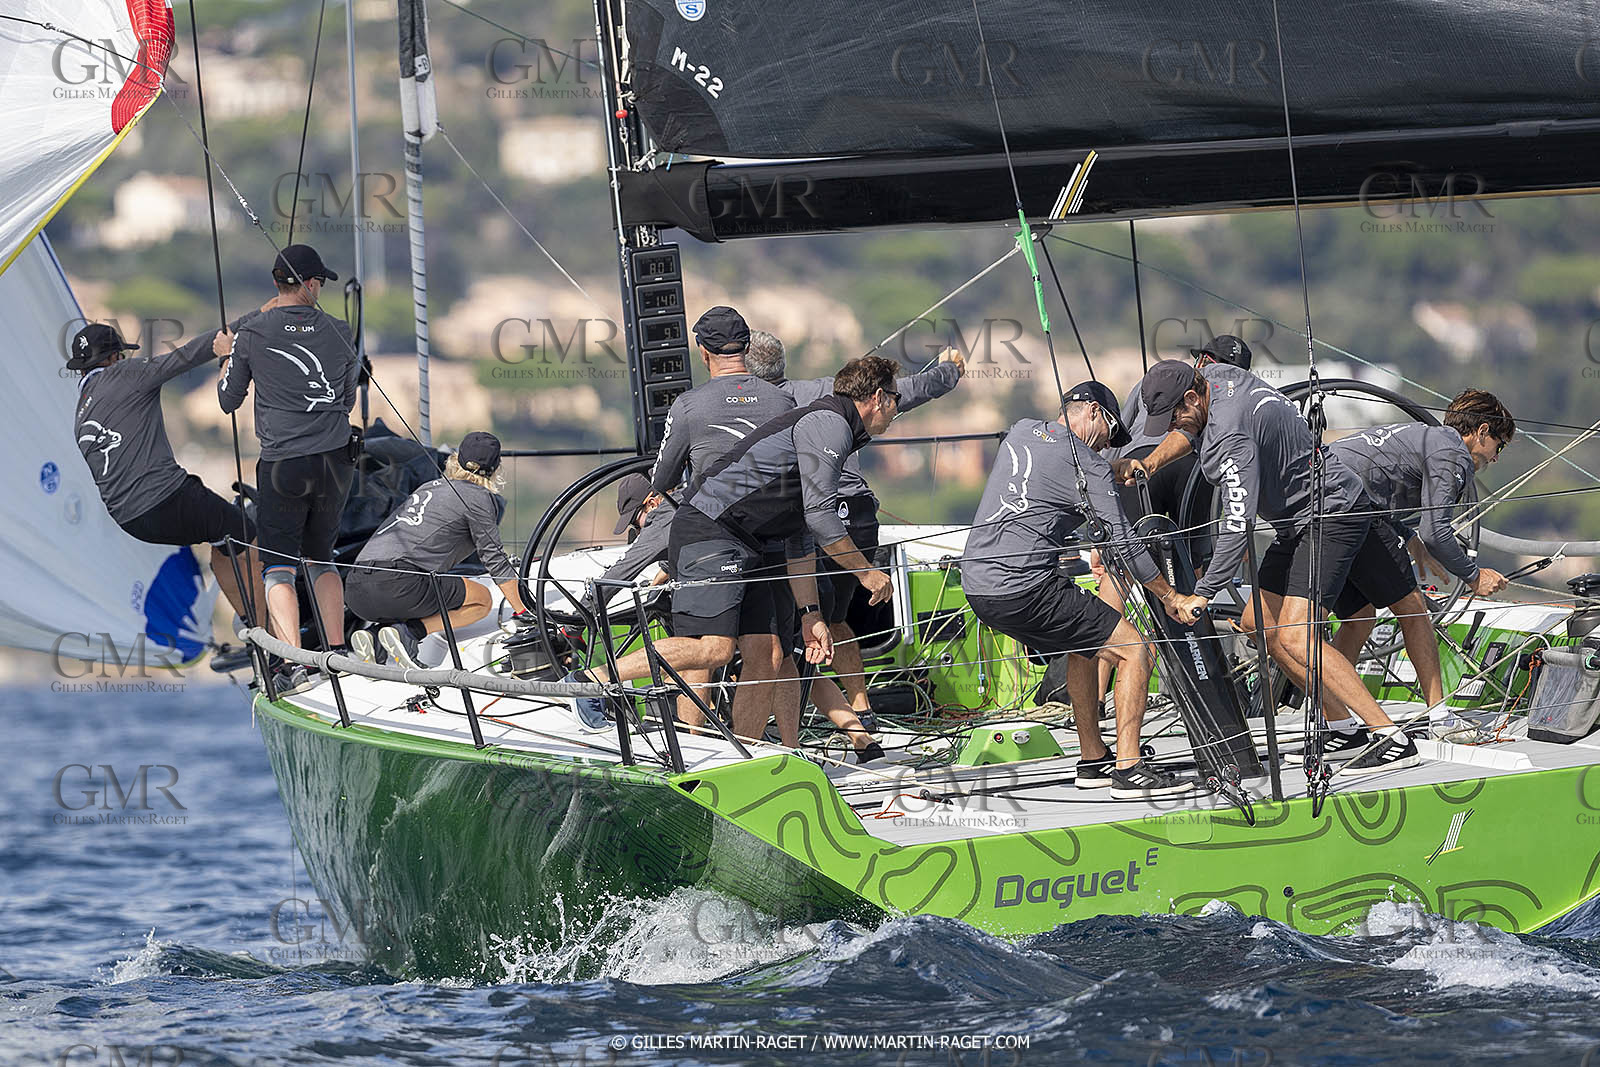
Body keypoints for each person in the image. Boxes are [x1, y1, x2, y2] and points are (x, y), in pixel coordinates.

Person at [567, 356, 900, 748]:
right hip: (710, 528)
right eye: (896, 399)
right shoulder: (830, 424)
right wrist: (866, 573)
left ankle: (742, 754)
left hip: (752, 541)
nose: (897, 410)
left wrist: (811, 615)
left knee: (769, 653)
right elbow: (823, 517)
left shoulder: (833, 428)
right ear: (878, 398)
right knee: (715, 649)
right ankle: (590, 681)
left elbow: (800, 534)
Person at [1124, 358, 1426, 776]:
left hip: (1329, 513)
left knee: (1297, 637)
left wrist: (1204, 593)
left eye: (1175, 416)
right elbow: (1190, 432)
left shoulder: (1230, 435)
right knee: (1255, 624)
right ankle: (1343, 725)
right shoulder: (1215, 377)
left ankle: (1390, 736)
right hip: (1296, 521)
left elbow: (1236, 522)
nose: (1174, 426)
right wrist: (1151, 462)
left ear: (1193, 397)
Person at [962, 381, 1189, 799]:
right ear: (1092, 413)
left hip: (978, 585)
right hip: (1023, 587)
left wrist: (1103, 471)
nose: (1106, 446)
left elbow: (1051, 483)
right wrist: (1171, 597)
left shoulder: (1021, 429)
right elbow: (1124, 544)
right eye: (1109, 434)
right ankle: (1130, 767)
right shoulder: (1089, 465)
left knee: (1085, 645)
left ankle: (1092, 759)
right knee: (1135, 649)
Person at [747, 329, 962, 761]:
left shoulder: (731, 406)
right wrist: (948, 372)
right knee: (834, 619)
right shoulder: (826, 391)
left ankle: (778, 736)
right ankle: (861, 715)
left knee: (788, 633)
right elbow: (908, 392)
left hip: (796, 526)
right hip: (855, 512)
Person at [1313, 389, 1513, 742]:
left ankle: (1334, 718)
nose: (1497, 457)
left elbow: (1379, 485)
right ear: (1482, 431)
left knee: (1359, 617)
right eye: (1500, 445)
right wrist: (1473, 576)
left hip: (1320, 503)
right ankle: (1440, 716)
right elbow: (1436, 530)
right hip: (1349, 509)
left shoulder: (1426, 438)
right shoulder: (1453, 453)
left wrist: (1407, 537)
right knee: (1413, 610)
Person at [649, 307, 798, 733]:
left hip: (708, 536)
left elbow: (663, 478)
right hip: (771, 537)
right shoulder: (782, 400)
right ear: (748, 347)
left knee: (703, 649)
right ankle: (747, 751)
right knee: (766, 653)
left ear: (702, 351)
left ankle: (692, 745)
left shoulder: (690, 405)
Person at [215, 243, 361, 655]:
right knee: (322, 558)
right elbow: (346, 401)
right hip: (334, 462)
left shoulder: (252, 333)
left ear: (277, 283)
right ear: (312, 284)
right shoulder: (340, 330)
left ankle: (294, 658)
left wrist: (227, 356)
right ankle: (338, 650)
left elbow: (228, 400)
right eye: (320, 283)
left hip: (283, 466)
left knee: (278, 568)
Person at [70, 321, 261, 627]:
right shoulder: (124, 374)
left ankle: (254, 630)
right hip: (167, 500)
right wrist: (234, 333)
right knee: (249, 540)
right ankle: (275, 642)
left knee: (224, 539)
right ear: (112, 358)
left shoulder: (81, 414)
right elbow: (185, 356)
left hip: (133, 523)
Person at [344, 432, 526, 668]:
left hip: (356, 588)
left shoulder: (429, 487)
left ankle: (376, 637)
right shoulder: (479, 498)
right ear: (496, 468)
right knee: (482, 600)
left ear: (456, 459)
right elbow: (495, 560)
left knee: (420, 587)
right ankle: (410, 632)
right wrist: (523, 612)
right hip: (396, 585)